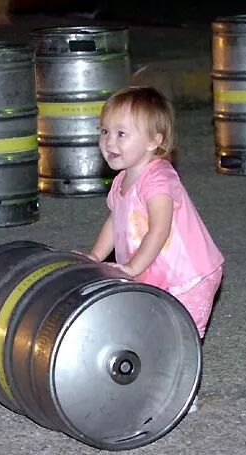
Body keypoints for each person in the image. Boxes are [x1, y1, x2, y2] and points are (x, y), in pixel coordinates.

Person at [86, 86, 224, 340]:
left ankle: (179, 362)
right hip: (155, 272)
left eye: (121, 133)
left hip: (187, 276)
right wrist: (94, 256)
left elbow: (160, 229)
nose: (109, 142)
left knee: (180, 337)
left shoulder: (159, 178)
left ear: (153, 141)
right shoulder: (121, 180)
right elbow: (115, 221)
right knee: (150, 331)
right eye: (104, 131)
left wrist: (132, 267)